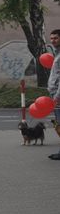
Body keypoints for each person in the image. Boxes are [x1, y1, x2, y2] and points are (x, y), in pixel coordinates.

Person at [47, 29, 60, 160]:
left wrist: (57, 97)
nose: (53, 41)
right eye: (51, 38)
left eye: (55, 38)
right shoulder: (57, 54)